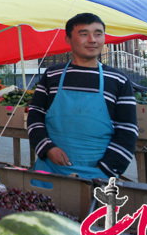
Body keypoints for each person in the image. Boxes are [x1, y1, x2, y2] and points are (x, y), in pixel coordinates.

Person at [27, 13, 137, 179]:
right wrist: (48, 148)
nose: (92, 39)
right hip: (50, 169)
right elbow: (35, 114)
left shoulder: (118, 80)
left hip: (97, 174)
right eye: (84, 34)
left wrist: (106, 168)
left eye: (98, 34)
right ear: (68, 39)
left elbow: (127, 130)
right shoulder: (52, 74)